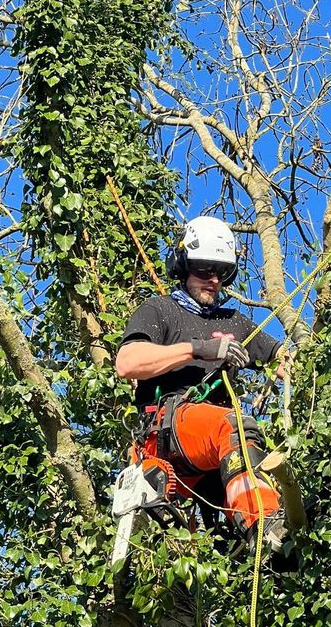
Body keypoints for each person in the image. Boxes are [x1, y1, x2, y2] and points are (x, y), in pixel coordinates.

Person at [115, 216, 289, 553]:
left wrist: (300, 360)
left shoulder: (234, 322)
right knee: (235, 426)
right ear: (183, 266)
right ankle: (262, 521)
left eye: (221, 273)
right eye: (204, 269)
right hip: (168, 430)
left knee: (233, 526)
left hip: (212, 451)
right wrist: (196, 349)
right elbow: (128, 361)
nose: (212, 280)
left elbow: (283, 358)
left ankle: (267, 544)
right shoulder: (161, 310)